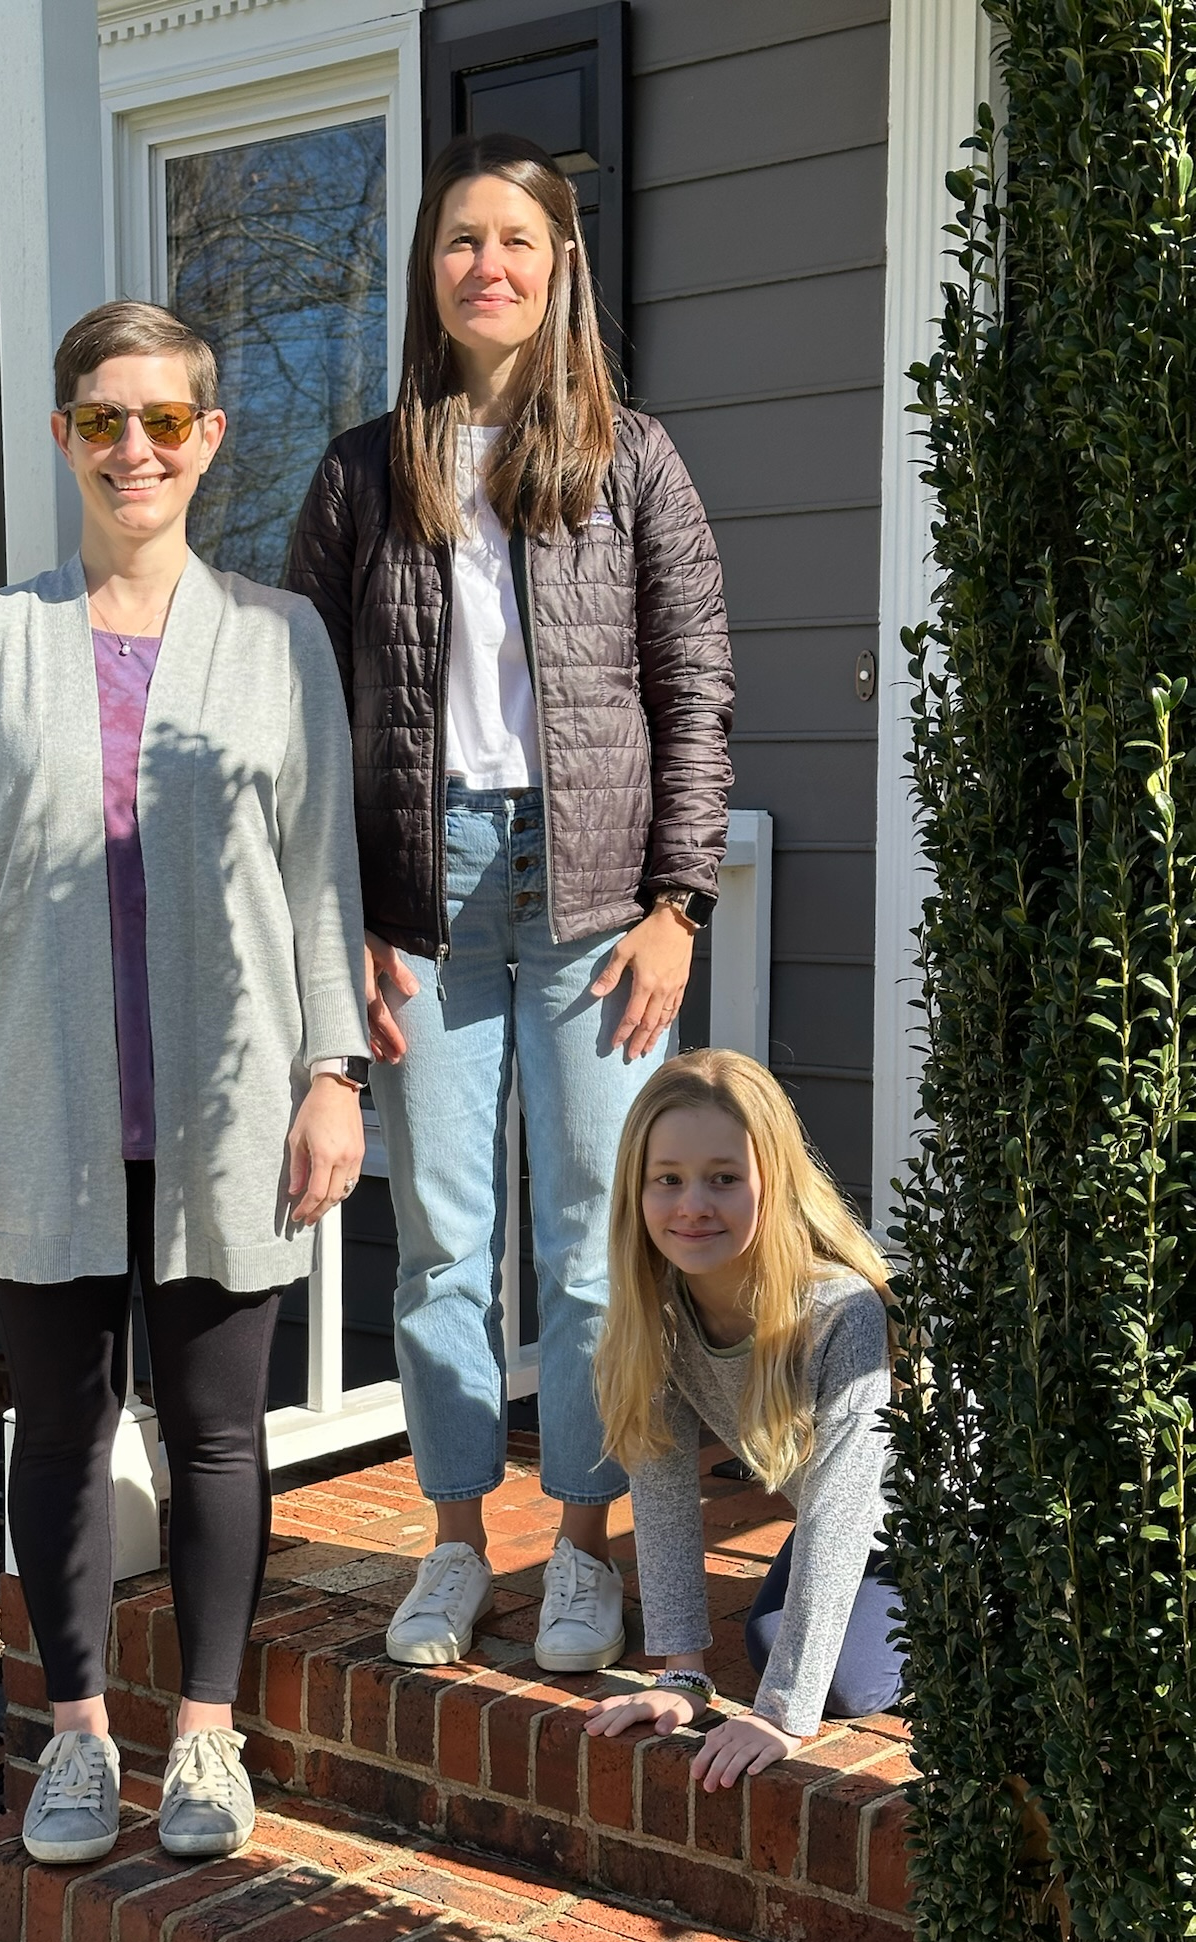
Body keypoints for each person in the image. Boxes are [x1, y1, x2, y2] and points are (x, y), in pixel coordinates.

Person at [0, 301, 370, 1866]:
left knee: (220, 1435)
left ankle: (209, 1736)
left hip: (229, 1110)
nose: (135, 449)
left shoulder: (278, 639)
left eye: (165, 420)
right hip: (33, 1109)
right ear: (64, 435)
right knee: (58, 1426)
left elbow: (320, 879)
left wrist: (332, 1074)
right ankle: (82, 1736)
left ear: (209, 439)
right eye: (104, 419)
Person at [286, 134, 734, 1674]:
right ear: (432, 272)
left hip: (594, 895)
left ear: (559, 268)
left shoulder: (634, 461)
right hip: (422, 903)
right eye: (462, 240)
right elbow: (304, 715)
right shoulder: (361, 471)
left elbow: (693, 687)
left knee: (599, 1247)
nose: (489, 264)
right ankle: (458, 1542)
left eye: (516, 241)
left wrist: (678, 905)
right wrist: (340, 916)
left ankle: (585, 1551)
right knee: (439, 1246)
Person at [583, 1049, 903, 1789]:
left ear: (774, 1182)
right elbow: (662, 1487)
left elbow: (843, 1508)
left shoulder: (840, 1312)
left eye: (724, 1178)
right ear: (636, 1189)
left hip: (951, 1528)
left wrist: (783, 1714)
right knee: (770, 1640)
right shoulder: (657, 1315)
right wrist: (682, 1675)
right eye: (668, 1179)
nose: (693, 1204)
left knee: (838, 1680)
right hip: (855, 1522)